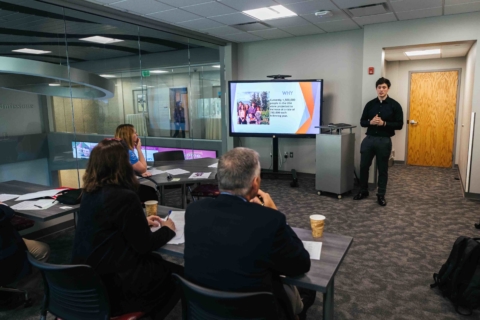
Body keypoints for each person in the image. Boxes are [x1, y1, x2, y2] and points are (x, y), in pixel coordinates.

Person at [184, 147, 313, 320]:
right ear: (255, 183)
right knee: (308, 289)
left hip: (204, 311)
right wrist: (276, 213)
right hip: (258, 313)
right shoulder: (270, 221)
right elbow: (301, 264)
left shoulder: (193, 211)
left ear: (219, 180)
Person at [71, 139, 181, 320]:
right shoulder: (124, 196)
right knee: (177, 276)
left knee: (159, 264)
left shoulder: (89, 193)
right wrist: (168, 228)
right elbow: (145, 245)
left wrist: (140, 221)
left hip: (86, 278)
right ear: (123, 165)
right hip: (114, 282)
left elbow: (108, 225)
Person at [354, 77, 403, 206]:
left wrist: (384, 123)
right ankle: (363, 190)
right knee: (364, 167)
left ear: (388, 89)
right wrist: (370, 122)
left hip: (384, 141)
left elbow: (399, 124)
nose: (381, 90)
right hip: (369, 139)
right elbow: (362, 121)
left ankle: (381, 195)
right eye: (379, 87)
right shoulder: (370, 104)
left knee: (382, 169)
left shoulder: (395, 105)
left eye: (384, 87)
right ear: (376, 89)